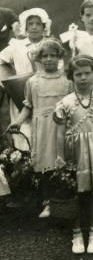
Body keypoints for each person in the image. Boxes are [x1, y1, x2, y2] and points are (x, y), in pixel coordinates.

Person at [54, 55, 93, 254]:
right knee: (76, 192)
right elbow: (60, 133)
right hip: (75, 151)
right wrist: (60, 156)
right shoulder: (65, 103)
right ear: (71, 77)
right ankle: (77, 232)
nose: (83, 78)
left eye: (87, 73)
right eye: (78, 74)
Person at [9, 38, 72, 217]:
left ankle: (64, 199)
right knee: (44, 163)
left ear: (59, 57)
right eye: (45, 56)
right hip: (42, 127)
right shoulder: (33, 82)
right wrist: (18, 122)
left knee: (62, 161)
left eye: (53, 55)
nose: (49, 59)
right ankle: (47, 202)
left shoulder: (67, 80)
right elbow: (28, 106)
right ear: (39, 58)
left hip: (62, 127)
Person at [0, 8, 53, 151]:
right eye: (30, 24)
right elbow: (1, 61)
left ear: (44, 26)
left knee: (47, 133)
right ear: (25, 27)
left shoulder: (50, 45)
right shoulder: (17, 46)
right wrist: (9, 82)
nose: (34, 27)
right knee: (25, 132)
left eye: (38, 24)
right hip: (22, 96)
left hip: (47, 94)